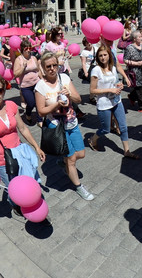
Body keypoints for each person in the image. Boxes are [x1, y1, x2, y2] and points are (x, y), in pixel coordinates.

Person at [0, 73, 47, 218]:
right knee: (12, 189)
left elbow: (23, 129)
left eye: (0, 90)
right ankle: (15, 204)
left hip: (20, 154)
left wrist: (36, 147)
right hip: (3, 160)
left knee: (27, 184)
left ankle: (30, 205)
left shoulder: (11, 105)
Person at [35, 52, 94, 201]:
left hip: (72, 122)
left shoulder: (65, 78)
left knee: (81, 154)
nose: (52, 69)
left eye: (54, 65)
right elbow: (41, 111)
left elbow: (79, 99)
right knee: (72, 159)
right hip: (57, 126)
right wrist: (56, 104)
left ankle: (63, 162)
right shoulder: (40, 86)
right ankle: (79, 187)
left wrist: (69, 95)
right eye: (48, 66)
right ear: (43, 67)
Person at [88, 45, 138, 159]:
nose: (103, 58)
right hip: (104, 104)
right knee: (106, 129)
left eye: (105, 55)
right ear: (97, 58)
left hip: (116, 101)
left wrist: (119, 85)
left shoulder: (113, 68)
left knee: (123, 127)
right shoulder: (96, 70)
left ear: (109, 56)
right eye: (100, 56)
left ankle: (127, 151)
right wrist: (110, 89)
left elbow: (115, 83)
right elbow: (92, 90)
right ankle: (92, 139)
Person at [13, 39, 41, 125]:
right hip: (26, 86)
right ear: (22, 49)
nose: (28, 50)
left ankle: (40, 120)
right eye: (26, 48)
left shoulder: (33, 58)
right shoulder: (19, 59)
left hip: (37, 82)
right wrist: (23, 67)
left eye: (29, 48)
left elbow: (38, 70)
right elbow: (15, 74)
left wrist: (43, 79)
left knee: (39, 102)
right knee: (31, 103)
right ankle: (28, 113)